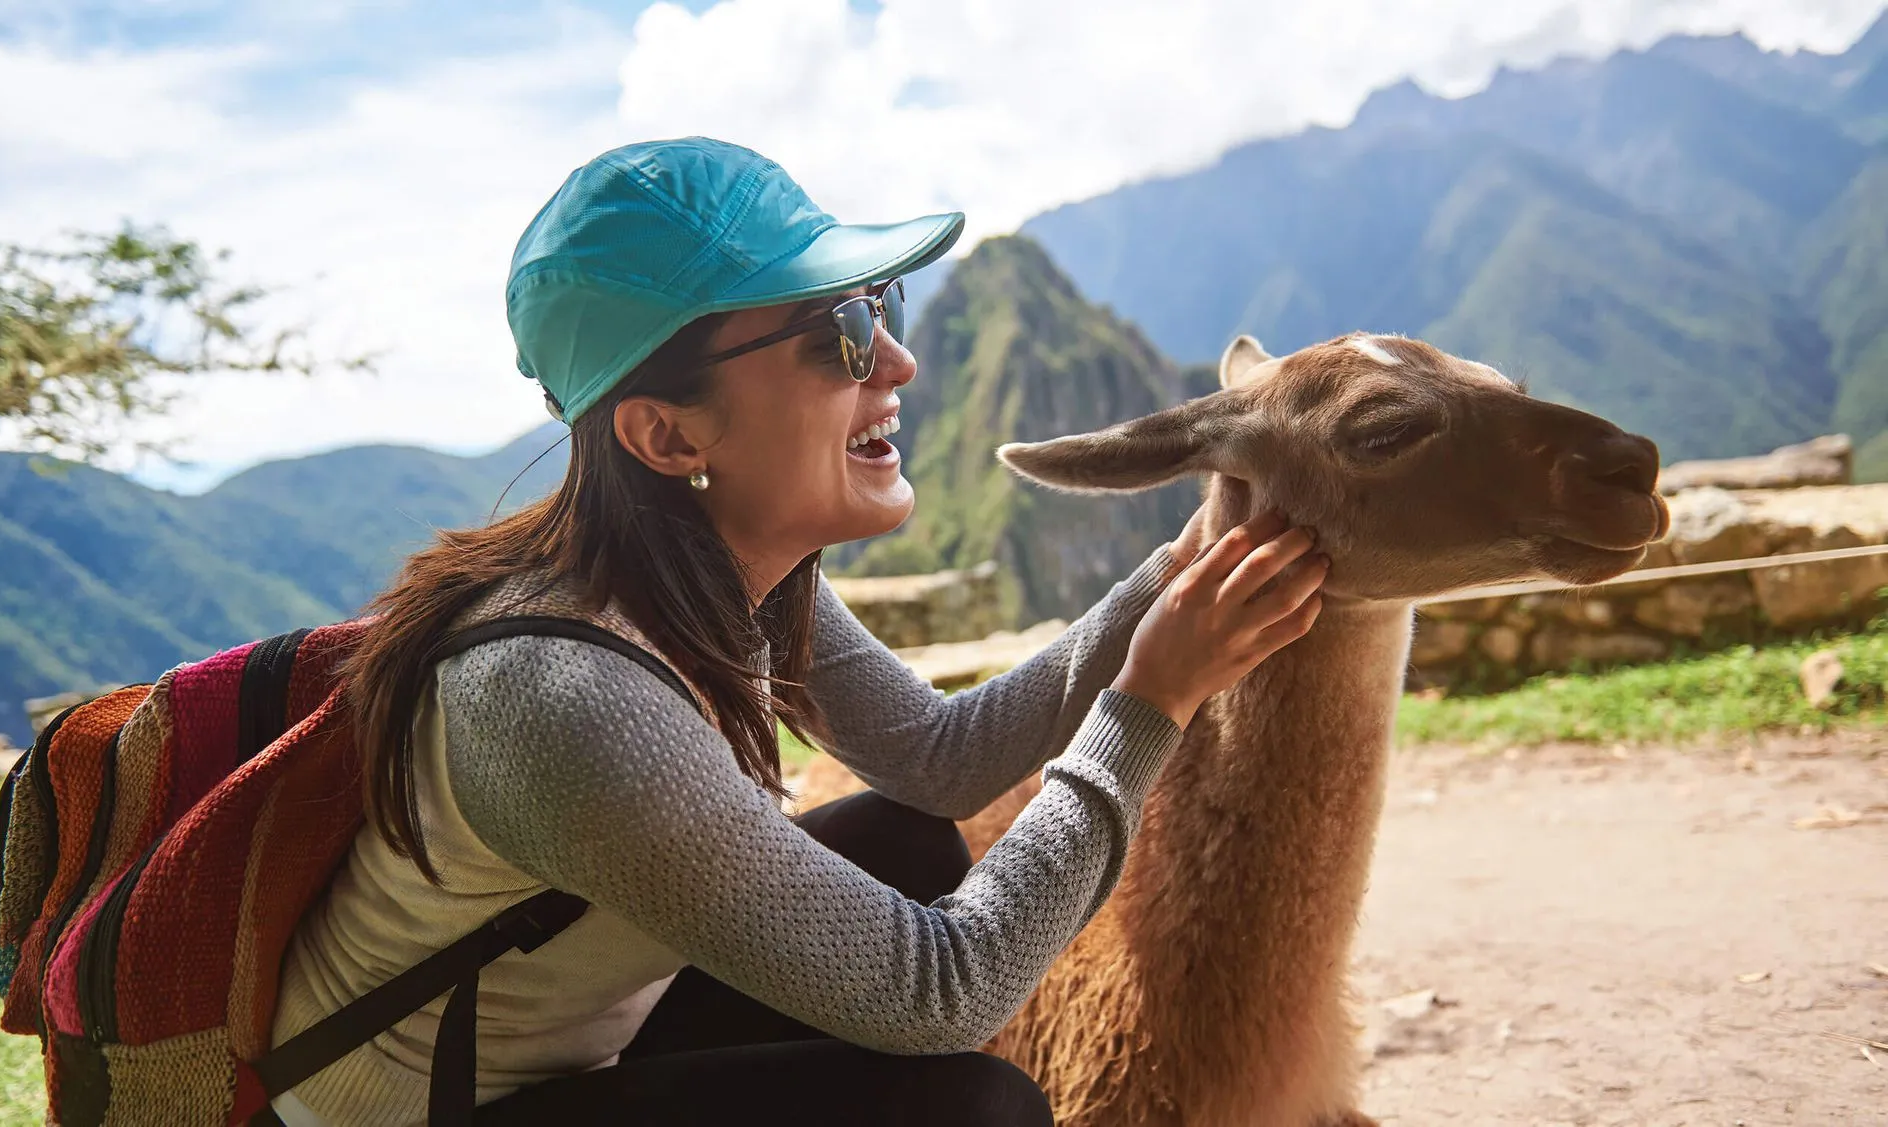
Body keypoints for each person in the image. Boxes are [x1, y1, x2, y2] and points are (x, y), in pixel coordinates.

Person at [266, 137, 1328, 1126]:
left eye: (880, 303)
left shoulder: (725, 574)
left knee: (906, 837)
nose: (898, 363)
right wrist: (1147, 705)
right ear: (666, 431)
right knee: (975, 1108)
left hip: (581, 1049)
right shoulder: (564, 692)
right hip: (412, 1111)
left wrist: (1186, 562)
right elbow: (942, 990)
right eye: (842, 335)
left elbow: (939, 760)